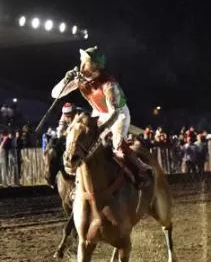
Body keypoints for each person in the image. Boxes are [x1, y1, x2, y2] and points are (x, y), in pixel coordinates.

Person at [51, 46, 152, 185]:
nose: (81, 65)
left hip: (118, 114)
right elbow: (55, 94)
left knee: (118, 144)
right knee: (83, 139)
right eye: (82, 61)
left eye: (85, 62)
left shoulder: (109, 84)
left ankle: (142, 170)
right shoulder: (80, 79)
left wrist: (102, 129)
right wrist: (65, 80)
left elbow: (114, 113)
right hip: (98, 112)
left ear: (94, 66)